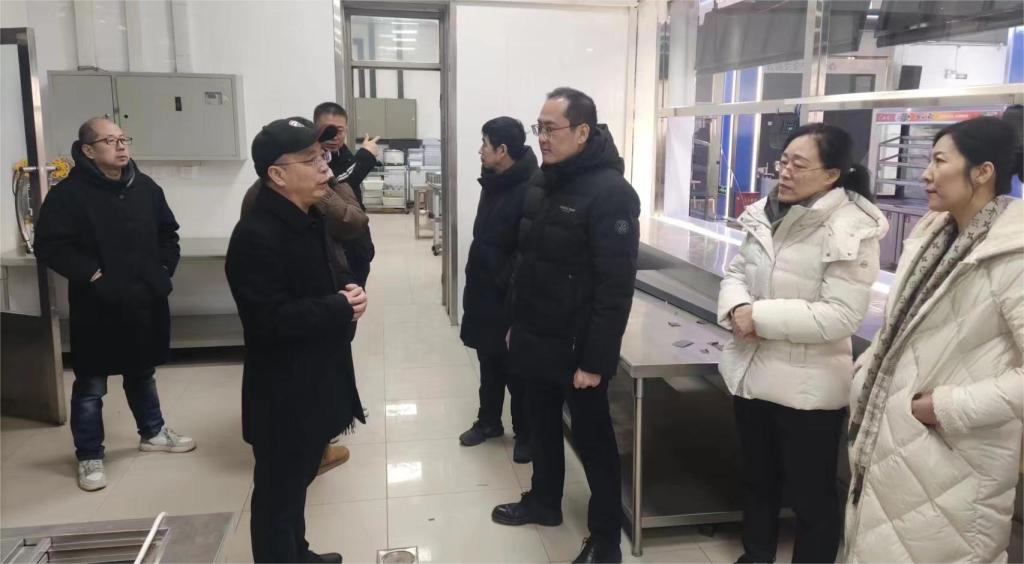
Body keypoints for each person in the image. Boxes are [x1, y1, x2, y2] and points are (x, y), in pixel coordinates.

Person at [844, 116, 1023, 563]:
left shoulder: (1013, 253)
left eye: (940, 161)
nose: (926, 174)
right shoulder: (932, 235)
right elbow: (900, 328)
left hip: (954, 462)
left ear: (982, 172)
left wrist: (944, 407)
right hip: (893, 443)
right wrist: (868, 372)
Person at [717, 123, 887, 564]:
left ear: (831, 175)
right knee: (757, 482)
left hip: (808, 391)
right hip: (753, 373)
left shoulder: (851, 227)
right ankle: (756, 557)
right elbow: (736, 271)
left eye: (799, 164)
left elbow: (840, 315)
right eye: (783, 161)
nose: (785, 172)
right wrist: (737, 307)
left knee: (812, 499)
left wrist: (759, 316)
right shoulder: (765, 212)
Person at [491, 88, 640, 564]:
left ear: (582, 131)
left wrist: (595, 361)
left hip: (577, 347)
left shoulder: (612, 194)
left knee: (595, 444)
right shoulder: (544, 179)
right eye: (538, 128)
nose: (542, 137)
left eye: (550, 128)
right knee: (541, 425)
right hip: (535, 334)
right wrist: (515, 322)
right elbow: (528, 261)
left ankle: (605, 540)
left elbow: (614, 288)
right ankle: (544, 501)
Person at [225, 117, 368, 563]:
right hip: (283, 389)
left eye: (323, 156)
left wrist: (347, 288)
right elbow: (269, 320)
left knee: (298, 481)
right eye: (311, 160)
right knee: (277, 494)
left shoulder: (309, 217)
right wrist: (338, 307)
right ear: (277, 174)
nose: (325, 167)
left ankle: (298, 555)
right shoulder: (256, 235)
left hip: (316, 377)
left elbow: (325, 274)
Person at [34, 117, 195, 493]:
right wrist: (92, 274)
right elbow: (51, 245)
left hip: (143, 299)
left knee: (142, 371)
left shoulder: (145, 187)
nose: (121, 147)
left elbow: (168, 233)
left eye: (124, 139)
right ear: (88, 150)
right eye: (110, 141)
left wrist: (162, 270)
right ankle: (89, 454)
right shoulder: (68, 194)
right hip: (98, 305)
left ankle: (152, 432)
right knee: (91, 384)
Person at [458, 117, 542, 463]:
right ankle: (489, 421)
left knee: (515, 368)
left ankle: (526, 433)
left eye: (485, 144)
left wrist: (502, 280)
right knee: (488, 359)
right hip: (484, 289)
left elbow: (527, 249)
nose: (480, 150)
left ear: (503, 150)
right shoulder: (493, 180)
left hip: (508, 293)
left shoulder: (531, 188)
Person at [313, 102, 379, 288]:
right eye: (328, 130)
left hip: (356, 244)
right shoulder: (312, 158)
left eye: (340, 130)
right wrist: (366, 156)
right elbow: (337, 184)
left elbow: (347, 185)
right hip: (334, 248)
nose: (334, 136)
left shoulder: (342, 152)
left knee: (357, 295)